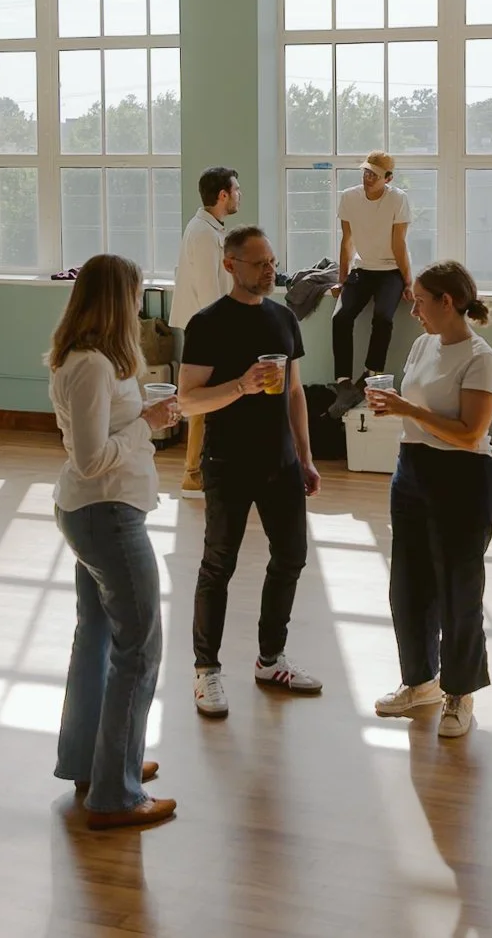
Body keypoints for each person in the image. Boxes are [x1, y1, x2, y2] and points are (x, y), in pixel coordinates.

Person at [46, 254, 180, 828]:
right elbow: (92, 455)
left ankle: (94, 762)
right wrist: (144, 427)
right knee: (139, 647)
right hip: (105, 515)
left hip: (96, 511)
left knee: (97, 637)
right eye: (137, 292)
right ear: (115, 299)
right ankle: (117, 792)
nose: (140, 302)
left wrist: (140, 416)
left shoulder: (93, 360)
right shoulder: (92, 366)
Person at [174, 226, 324, 716]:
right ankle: (206, 671)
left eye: (271, 261)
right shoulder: (207, 324)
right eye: (257, 262)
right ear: (230, 265)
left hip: (280, 461)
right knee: (219, 565)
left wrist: (305, 455)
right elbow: (188, 399)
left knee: (291, 557)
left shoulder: (284, 317)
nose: (268, 270)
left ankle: (270, 659)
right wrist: (239, 385)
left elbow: (295, 393)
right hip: (227, 462)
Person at [365, 262, 492, 740]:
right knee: (408, 586)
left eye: (421, 300)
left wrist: (408, 409)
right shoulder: (423, 345)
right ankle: (419, 682)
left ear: (448, 302)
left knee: (458, 590)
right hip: (412, 472)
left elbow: (471, 434)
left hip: (463, 478)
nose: (414, 308)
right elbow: (420, 416)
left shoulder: (480, 359)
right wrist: (394, 409)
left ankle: (459, 693)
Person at [173, 166, 240, 495]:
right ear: (223, 195)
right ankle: (192, 475)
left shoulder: (210, 229)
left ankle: (208, 469)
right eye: (236, 190)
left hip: (212, 327)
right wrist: (223, 331)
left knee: (214, 402)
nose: (239, 195)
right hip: (206, 330)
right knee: (199, 403)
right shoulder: (201, 233)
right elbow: (207, 289)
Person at [329, 151, 413, 414]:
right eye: (365, 172)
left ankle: (370, 371)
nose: (367, 178)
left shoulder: (398, 199)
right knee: (340, 317)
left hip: (391, 271)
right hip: (362, 269)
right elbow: (347, 242)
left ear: (388, 178)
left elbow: (399, 244)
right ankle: (343, 382)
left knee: (383, 318)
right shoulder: (350, 198)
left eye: (374, 175)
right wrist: (342, 281)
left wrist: (408, 282)